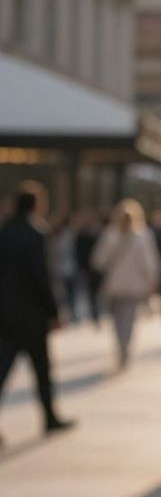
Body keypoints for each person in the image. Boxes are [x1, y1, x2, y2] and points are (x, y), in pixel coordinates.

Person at [0, 182, 75, 439]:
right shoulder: (36, 234)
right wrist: (54, 310)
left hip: (6, 316)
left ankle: (51, 417)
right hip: (32, 317)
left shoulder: (4, 232)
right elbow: (43, 277)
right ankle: (50, 417)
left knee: (3, 372)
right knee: (42, 371)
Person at [91, 199, 161, 371]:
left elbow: (98, 261)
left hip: (115, 284)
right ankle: (125, 346)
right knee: (129, 319)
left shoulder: (110, 235)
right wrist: (152, 282)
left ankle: (121, 346)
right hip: (134, 286)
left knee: (117, 319)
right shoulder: (143, 235)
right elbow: (150, 263)